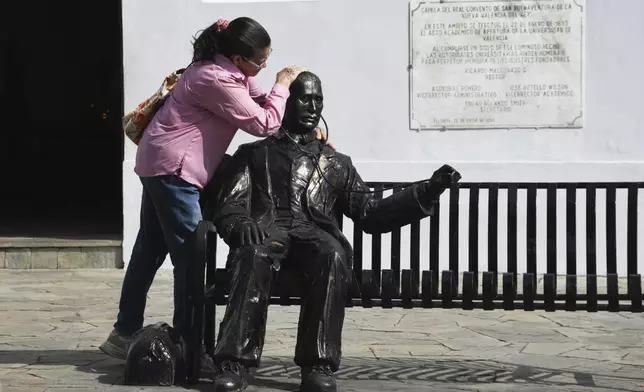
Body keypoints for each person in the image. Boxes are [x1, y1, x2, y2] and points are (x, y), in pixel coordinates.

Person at [208, 71, 462, 392]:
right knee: (252, 250)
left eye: (319, 100)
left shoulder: (336, 163)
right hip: (266, 232)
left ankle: (318, 366)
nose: (313, 107)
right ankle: (234, 363)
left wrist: (426, 190)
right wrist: (241, 223)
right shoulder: (253, 154)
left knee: (332, 253)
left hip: (313, 238)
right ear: (286, 101)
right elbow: (230, 205)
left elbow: (369, 213)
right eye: (305, 98)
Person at [99, 16, 311, 361]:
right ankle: (187, 342)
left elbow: (260, 98)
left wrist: (288, 105)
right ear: (240, 59)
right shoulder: (214, 79)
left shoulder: (227, 71)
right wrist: (284, 83)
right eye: (261, 60)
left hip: (158, 163)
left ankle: (123, 333)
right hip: (175, 171)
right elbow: (263, 123)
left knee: (149, 250)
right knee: (190, 259)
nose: (267, 65)